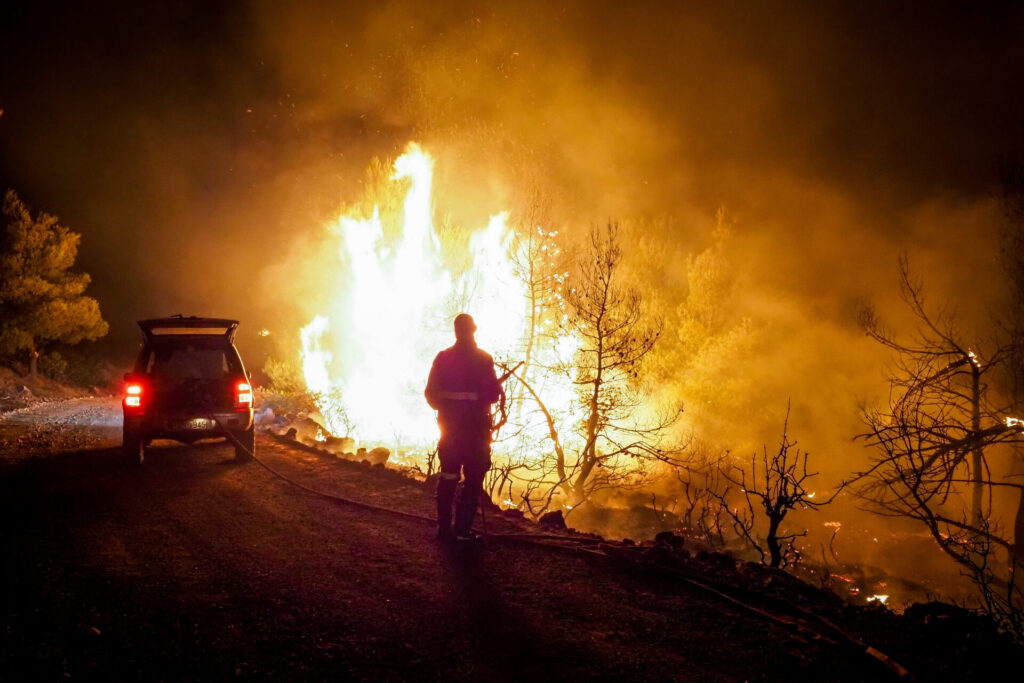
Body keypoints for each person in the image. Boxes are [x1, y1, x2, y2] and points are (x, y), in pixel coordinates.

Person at [425, 313, 502, 543]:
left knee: (448, 476)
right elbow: (492, 396)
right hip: (476, 433)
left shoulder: (443, 358)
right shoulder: (483, 359)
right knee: (473, 479)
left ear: (456, 331)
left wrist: (447, 410)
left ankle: (444, 529)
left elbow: (431, 394)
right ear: (473, 330)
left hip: (449, 432)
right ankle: (462, 531)